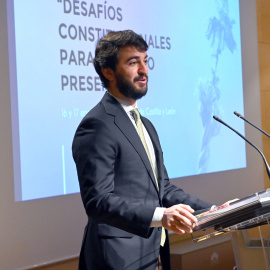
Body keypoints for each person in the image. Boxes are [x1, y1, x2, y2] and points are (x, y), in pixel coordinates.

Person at [72, 30, 214, 270]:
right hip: (117, 259)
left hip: (153, 254)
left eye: (145, 61)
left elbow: (163, 188)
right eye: (133, 62)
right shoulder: (97, 125)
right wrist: (161, 216)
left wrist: (213, 211)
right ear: (108, 72)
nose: (144, 70)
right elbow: (98, 200)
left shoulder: (145, 125)